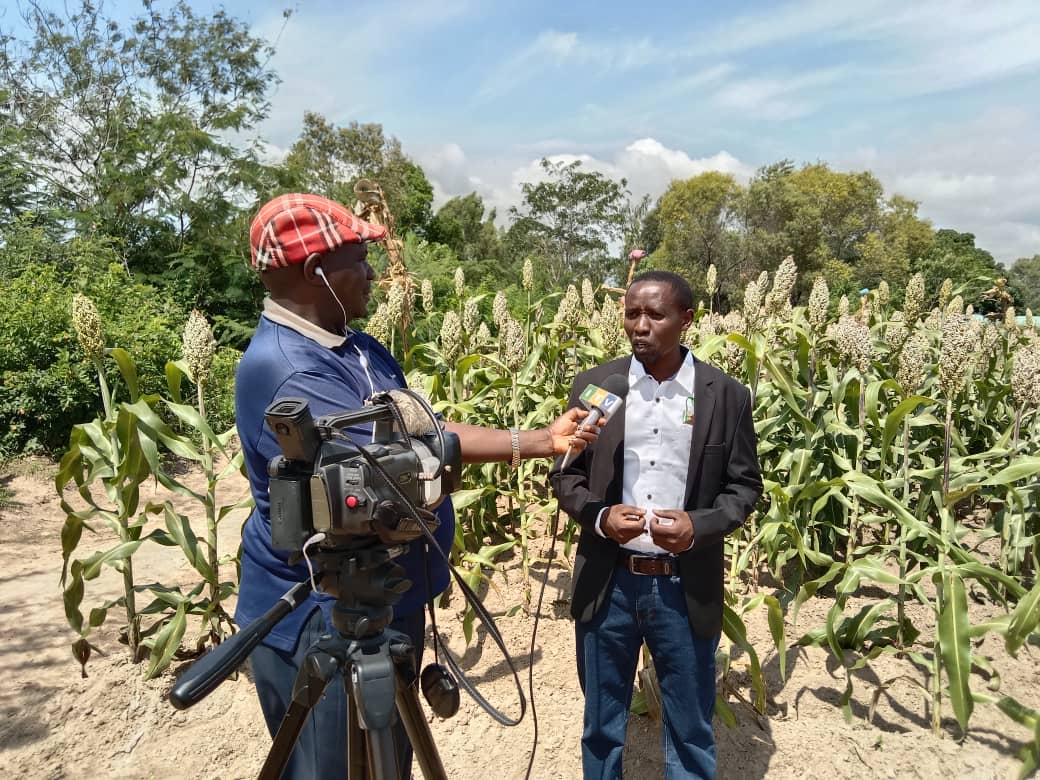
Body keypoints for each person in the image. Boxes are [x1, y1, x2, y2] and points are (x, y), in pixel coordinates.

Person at [235, 193, 597, 779]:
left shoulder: (354, 345)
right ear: (315, 272)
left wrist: (539, 440)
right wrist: (435, 464)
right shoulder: (288, 369)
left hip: (379, 598)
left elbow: (420, 432)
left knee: (389, 765)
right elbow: (389, 479)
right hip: (324, 618)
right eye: (360, 257)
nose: (373, 272)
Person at [550, 270, 763, 779]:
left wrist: (697, 526)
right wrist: (600, 518)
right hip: (610, 584)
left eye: (655, 315)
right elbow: (564, 475)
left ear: (687, 319)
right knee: (602, 724)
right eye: (631, 313)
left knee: (690, 728)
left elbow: (745, 488)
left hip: (683, 587)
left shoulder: (726, 395)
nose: (639, 326)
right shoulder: (595, 386)